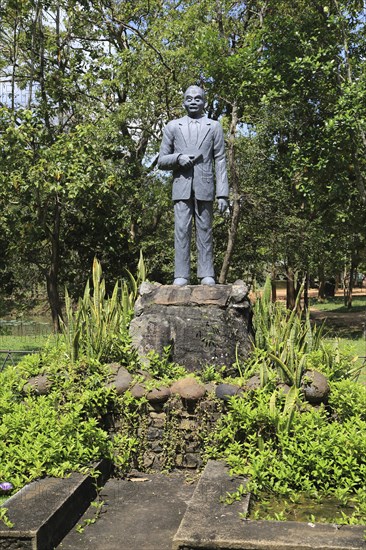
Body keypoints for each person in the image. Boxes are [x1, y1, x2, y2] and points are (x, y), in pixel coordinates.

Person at [158, 85, 229, 286]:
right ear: (183, 102)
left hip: (205, 185)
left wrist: (223, 194)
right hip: (181, 186)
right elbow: (161, 160)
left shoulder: (214, 127)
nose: (193, 101)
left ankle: (206, 273)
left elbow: (220, 160)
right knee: (181, 230)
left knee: (205, 229)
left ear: (204, 102)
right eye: (189, 98)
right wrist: (178, 158)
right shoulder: (172, 126)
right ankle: (181, 275)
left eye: (198, 98)